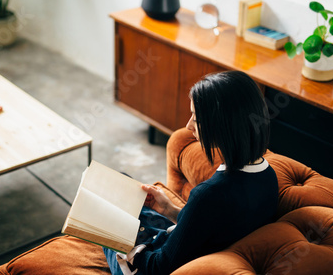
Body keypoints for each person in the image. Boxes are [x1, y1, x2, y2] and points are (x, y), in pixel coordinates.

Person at [104, 70, 279, 275]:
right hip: (181, 248)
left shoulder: (211, 193)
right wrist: (169, 208)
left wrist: (127, 247)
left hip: (152, 267)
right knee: (122, 183)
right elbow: (209, 227)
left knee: (106, 205)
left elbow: (158, 268)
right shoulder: (268, 177)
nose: (188, 126)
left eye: (196, 118)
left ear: (222, 125)